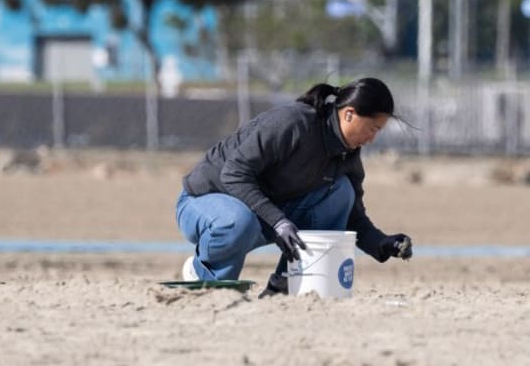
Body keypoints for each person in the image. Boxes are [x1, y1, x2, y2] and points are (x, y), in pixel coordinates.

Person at [176, 76, 413, 297]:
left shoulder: (347, 155)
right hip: (204, 202)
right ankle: (205, 274)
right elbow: (235, 173)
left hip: (264, 216)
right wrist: (278, 221)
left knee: (342, 193)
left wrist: (383, 244)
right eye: (373, 128)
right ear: (349, 114)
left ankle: (285, 287)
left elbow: (352, 217)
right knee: (239, 221)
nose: (372, 139)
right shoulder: (293, 122)